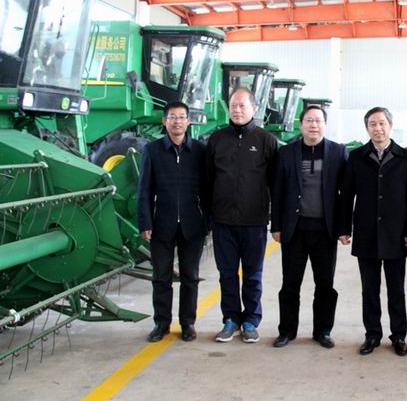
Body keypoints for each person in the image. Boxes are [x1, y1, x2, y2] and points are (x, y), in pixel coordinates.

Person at [338, 107, 407, 356]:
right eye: (372, 124)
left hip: (396, 234)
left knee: (396, 289)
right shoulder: (357, 157)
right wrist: (344, 228)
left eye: (382, 123)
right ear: (367, 128)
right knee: (369, 289)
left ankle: (399, 335)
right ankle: (372, 334)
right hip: (367, 233)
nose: (378, 128)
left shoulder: (406, 158)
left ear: (390, 126)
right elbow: (346, 195)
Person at [271, 105, 348, 349]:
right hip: (294, 230)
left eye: (318, 121)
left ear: (325, 125)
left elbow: (346, 195)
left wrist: (344, 227)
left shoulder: (338, 152)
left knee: (325, 285)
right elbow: (277, 191)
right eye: (309, 120)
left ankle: (322, 331)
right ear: (301, 124)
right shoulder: (286, 152)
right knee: (290, 284)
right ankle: (287, 331)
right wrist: (276, 226)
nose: (313, 125)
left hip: (325, 231)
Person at [206, 88, 279, 343]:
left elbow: (276, 184)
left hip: (254, 222)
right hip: (223, 222)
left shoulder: (266, 141)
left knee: (252, 275)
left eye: (242, 105)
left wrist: (274, 220)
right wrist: (209, 217)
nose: (237, 110)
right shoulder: (217, 140)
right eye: (233, 105)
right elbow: (207, 182)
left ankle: (250, 320)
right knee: (227, 274)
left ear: (254, 108)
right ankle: (230, 319)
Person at [137, 101, 208, 343]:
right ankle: (162, 323)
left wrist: (207, 222)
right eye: (172, 117)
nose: (177, 121)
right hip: (162, 224)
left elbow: (207, 190)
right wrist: (145, 222)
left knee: (190, 276)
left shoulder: (199, 151)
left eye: (181, 117)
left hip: (193, 224)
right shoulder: (152, 150)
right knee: (161, 277)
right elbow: (144, 190)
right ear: (164, 121)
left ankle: (187, 323)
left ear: (188, 121)